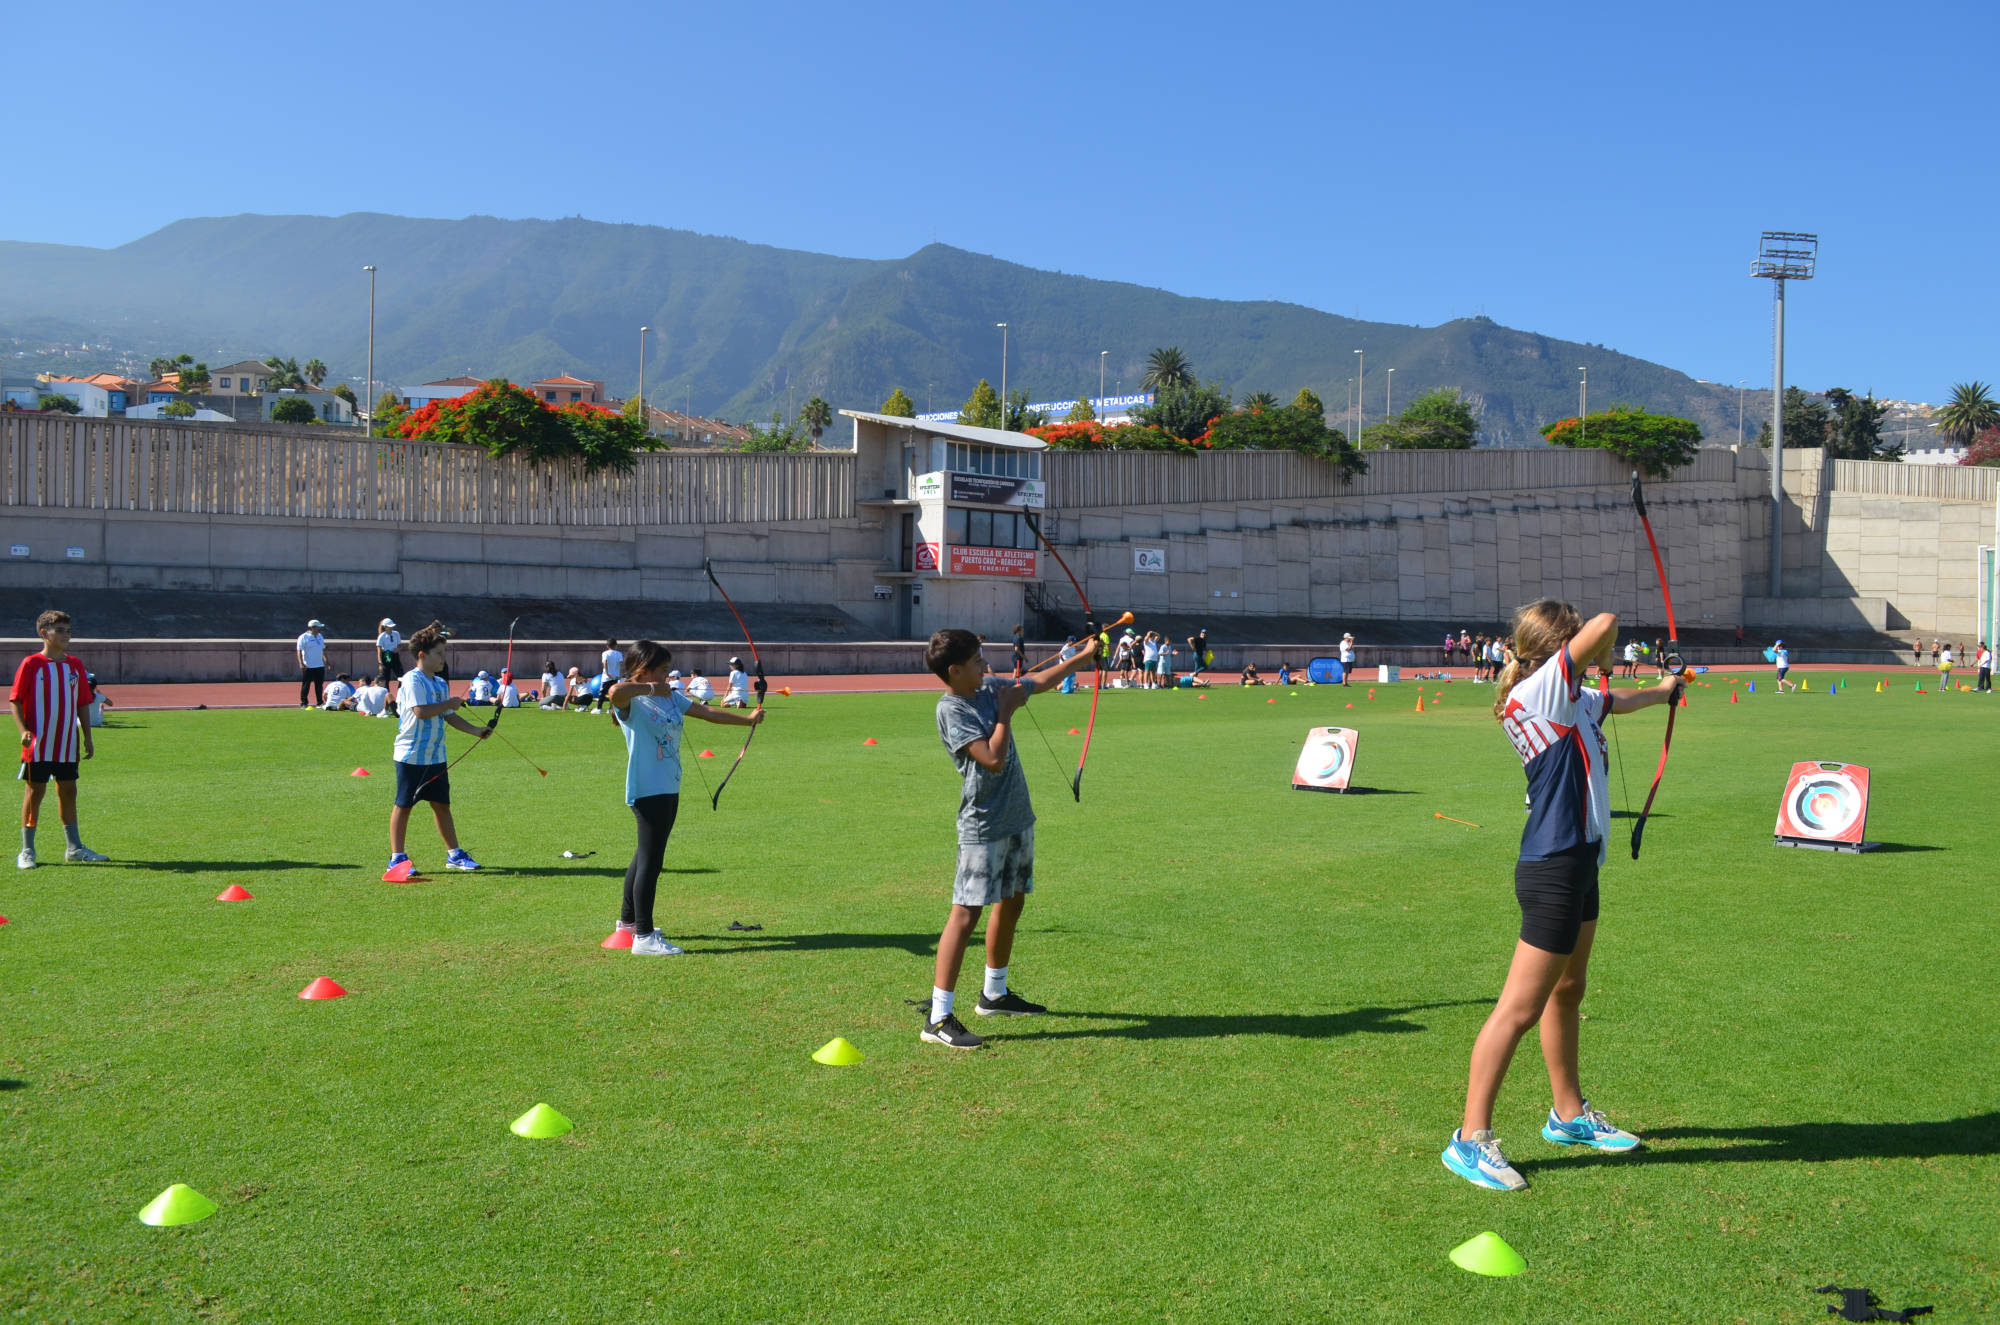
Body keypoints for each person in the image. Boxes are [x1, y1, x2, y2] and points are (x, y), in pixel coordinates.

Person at [1441, 600, 1680, 1191]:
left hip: (1579, 863)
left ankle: (1567, 1115)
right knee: (1517, 1009)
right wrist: (1598, 639)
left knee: (1568, 991)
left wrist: (1665, 688)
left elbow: (1615, 701)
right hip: (1552, 868)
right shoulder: (1544, 691)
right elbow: (1604, 624)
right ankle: (1469, 1139)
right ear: (1560, 649)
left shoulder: (1567, 697)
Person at [922, 626, 1100, 1050]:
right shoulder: (953, 708)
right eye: (979, 661)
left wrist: (1085, 656)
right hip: (983, 827)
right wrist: (1004, 711)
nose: (988, 666)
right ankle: (938, 1016)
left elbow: (1040, 681)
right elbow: (992, 759)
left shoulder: (990, 688)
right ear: (955, 671)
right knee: (965, 915)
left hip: (1017, 819)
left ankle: (994, 994)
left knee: (1013, 899)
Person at [602, 639, 765, 955]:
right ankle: (645, 938)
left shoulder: (670, 696)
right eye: (662, 670)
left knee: (645, 855)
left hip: (668, 785)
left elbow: (707, 713)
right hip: (648, 788)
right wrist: (651, 689)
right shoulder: (633, 701)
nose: (667, 676)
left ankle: (629, 924)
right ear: (644, 669)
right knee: (652, 860)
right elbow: (614, 692)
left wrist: (747, 720)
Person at [386, 623, 490, 876]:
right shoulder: (412, 680)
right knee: (404, 805)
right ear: (422, 654)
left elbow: (448, 716)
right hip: (411, 756)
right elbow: (420, 712)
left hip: (436, 756)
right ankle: (397, 858)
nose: (443, 659)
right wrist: (449, 703)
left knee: (442, 805)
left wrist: (477, 730)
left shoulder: (441, 684)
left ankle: (454, 854)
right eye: (439, 653)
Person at [12, 609, 108, 868]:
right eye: (61, 631)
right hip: (39, 744)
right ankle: (27, 850)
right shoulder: (31, 664)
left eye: (69, 631)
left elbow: (82, 704)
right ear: (44, 633)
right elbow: (16, 700)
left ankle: (74, 848)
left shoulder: (74, 665)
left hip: (67, 743)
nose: (67, 635)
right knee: (35, 792)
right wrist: (23, 731)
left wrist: (87, 737)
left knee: (69, 791)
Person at [297, 618, 328, 708]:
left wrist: (326, 661)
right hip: (308, 666)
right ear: (313, 627)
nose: (319, 629)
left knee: (319, 685)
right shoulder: (303, 637)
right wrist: (301, 663)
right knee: (306, 685)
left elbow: (323, 649)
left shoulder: (320, 636)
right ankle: (304, 702)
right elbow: (299, 651)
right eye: (318, 627)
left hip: (319, 665)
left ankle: (319, 702)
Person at [375, 618, 402, 695]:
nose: (391, 628)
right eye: (389, 626)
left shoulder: (396, 633)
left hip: (395, 656)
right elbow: (379, 651)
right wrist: (380, 663)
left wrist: (398, 649)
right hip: (386, 655)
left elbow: (400, 645)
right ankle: (387, 696)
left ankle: (400, 693)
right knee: (386, 678)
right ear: (385, 627)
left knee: (401, 676)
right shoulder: (381, 636)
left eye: (392, 626)